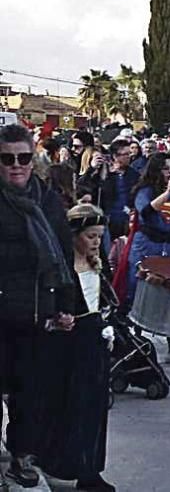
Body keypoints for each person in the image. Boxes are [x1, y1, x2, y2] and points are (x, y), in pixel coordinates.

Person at [0, 124, 76, 488]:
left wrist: (66, 306)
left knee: (29, 393)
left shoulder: (46, 201)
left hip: (34, 313)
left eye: (23, 158)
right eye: (7, 158)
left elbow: (62, 255)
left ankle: (21, 456)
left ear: (33, 160)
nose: (16, 165)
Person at [36, 204, 115, 492]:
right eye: (91, 236)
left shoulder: (97, 261)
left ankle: (90, 469)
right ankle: (59, 461)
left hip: (94, 339)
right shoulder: (62, 265)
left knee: (95, 408)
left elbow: (103, 298)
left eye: (99, 236)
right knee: (69, 405)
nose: (96, 242)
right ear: (75, 235)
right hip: (69, 343)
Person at [123, 153, 170, 365]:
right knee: (141, 293)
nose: (169, 172)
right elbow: (146, 212)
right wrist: (167, 193)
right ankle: (136, 342)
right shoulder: (144, 191)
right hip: (148, 244)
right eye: (165, 168)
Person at [78, 139, 140, 239]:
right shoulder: (104, 173)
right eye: (125, 154)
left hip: (127, 220)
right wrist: (92, 169)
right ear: (115, 156)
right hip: (107, 220)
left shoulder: (134, 174)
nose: (129, 157)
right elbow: (82, 185)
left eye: (129, 154)